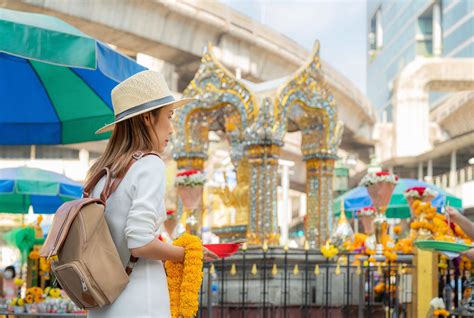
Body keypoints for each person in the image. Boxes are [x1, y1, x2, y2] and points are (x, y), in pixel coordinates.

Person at [85, 70, 217, 318]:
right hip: (140, 300)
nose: (171, 128)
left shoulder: (101, 173)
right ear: (147, 118)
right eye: (169, 116)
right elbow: (140, 243)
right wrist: (188, 254)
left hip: (103, 303)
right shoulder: (149, 164)